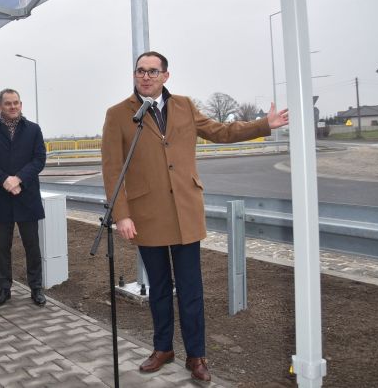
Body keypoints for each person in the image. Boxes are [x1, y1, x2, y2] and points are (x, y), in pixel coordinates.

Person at [101, 51, 289, 382]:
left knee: (191, 289)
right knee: (158, 288)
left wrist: (263, 125)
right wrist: (122, 215)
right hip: (147, 215)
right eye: (140, 71)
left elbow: (221, 131)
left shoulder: (185, 106)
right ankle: (163, 348)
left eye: (153, 71)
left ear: (165, 76)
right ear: (134, 75)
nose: (146, 76)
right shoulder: (118, 114)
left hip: (185, 213)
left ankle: (196, 355)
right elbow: (112, 168)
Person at [0, 88, 47, 307]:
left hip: (27, 197)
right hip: (1, 198)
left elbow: (39, 159)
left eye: (16, 102)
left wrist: (18, 179)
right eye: (8, 103)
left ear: (21, 104)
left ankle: (36, 288)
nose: (13, 106)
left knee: (32, 247)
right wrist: (4, 180)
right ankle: (4, 289)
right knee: (2, 248)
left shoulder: (33, 130)